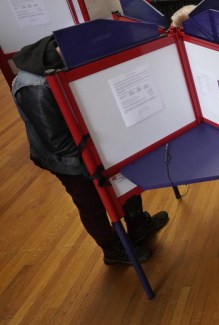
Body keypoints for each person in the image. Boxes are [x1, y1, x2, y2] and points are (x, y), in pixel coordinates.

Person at [11, 36, 169, 265]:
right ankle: (112, 249)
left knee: (127, 183)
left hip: (93, 141)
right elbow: (58, 143)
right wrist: (101, 152)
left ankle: (138, 227)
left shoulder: (66, 56)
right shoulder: (34, 86)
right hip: (66, 160)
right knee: (90, 203)